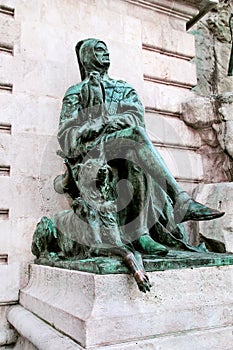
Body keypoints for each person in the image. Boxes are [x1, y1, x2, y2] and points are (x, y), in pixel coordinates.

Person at [55, 38, 224, 255]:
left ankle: (141, 235)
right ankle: (180, 200)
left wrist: (102, 122)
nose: (106, 53)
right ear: (86, 56)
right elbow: (66, 136)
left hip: (124, 146)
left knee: (135, 147)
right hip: (92, 155)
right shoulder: (77, 91)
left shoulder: (124, 88)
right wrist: (102, 121)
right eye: (99, 50)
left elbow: (136, 118)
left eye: (107, 50)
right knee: (134, 138)